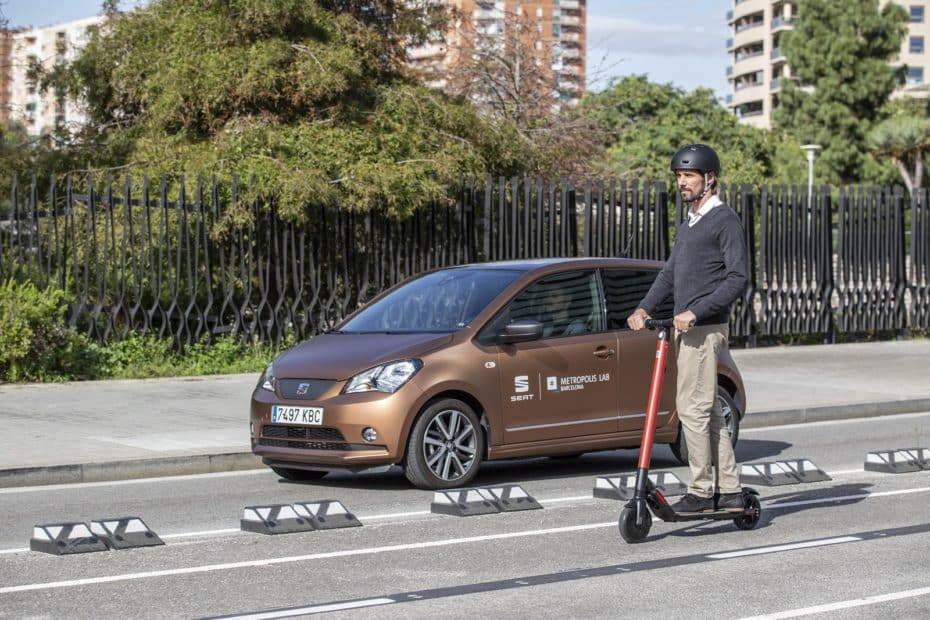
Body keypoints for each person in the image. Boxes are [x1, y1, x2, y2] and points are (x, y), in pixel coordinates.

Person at [627, 143, 748, 514]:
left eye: (689, 176)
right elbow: (669, 273)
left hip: (704, 329)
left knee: (691, 410)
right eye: (679, 176)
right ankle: (728, 490)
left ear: (709, 178)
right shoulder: (691, 223)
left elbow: (737, 278)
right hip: (685, 331)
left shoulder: (723, 219)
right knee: (707, 410)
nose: (682, 182)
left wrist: (695, 312)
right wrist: (644, 307)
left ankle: (700, 490)